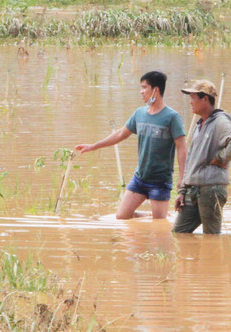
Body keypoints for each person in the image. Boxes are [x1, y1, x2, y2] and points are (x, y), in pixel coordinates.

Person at [74, 70, 187, 220]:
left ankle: (156, 214)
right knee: (121, 216)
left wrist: (182, 178)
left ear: (156, 90)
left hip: (160, 181)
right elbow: (121, 134)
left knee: (159, 224)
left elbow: (181, 147)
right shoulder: (139, 114)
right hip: (140, 178)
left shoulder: (172, 117)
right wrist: (94, 146)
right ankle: (148, 215)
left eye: (144, 87)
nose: (141, 92)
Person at [173, 79, 231, 235]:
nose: (190, 102)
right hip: (192, 190)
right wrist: (183, 191)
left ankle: (211, 260)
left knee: (211, 237)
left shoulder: (220, 121)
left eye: (193, 98)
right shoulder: (200, 125)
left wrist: (220, 158)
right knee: (179, 233)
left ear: (205, 98)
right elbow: (191, 160)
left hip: (211, 189)